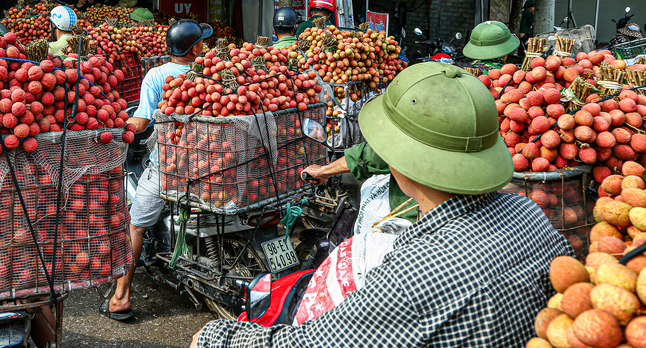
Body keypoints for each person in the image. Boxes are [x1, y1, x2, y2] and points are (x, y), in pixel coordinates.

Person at [191, 61, 573, 348]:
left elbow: (307, 343)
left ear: (397, 163)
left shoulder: (418, 274)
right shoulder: (529, 214)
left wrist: (214, 337)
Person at [102, 19, 213, 322]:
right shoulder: (211, 72)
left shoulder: (157, 74)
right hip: (214, 162)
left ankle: (121, 298)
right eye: (202, 42)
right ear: (195, 48)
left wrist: (112, 127)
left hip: (173, 165)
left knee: (135, 225)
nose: (205, 46)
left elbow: (141, 122)